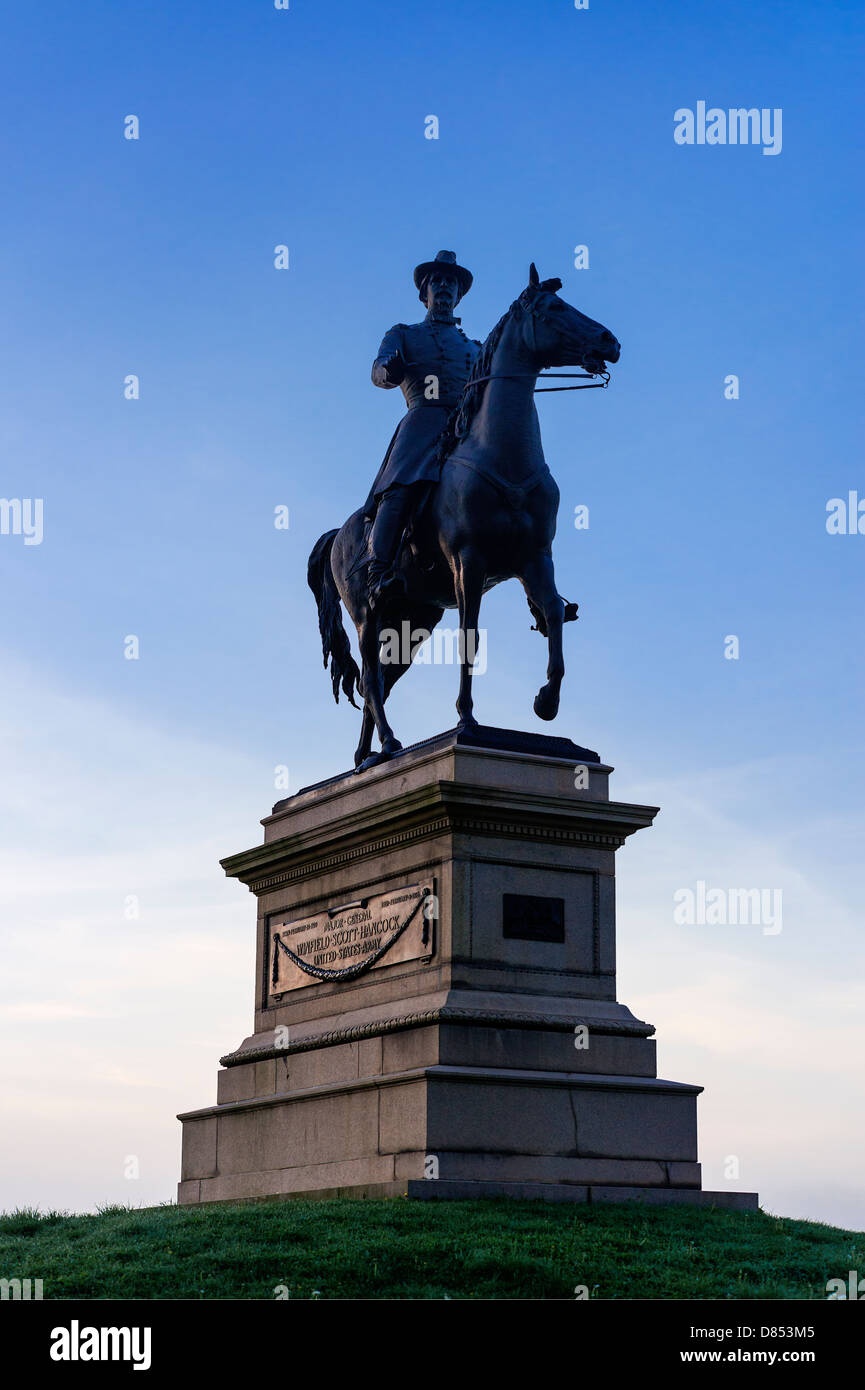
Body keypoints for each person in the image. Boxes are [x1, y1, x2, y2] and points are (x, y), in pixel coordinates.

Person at [362, 250, 480, 610]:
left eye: (451, 283)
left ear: (459, 295)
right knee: (400, 489)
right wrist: (389, 370)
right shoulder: (402, 333)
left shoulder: (476, 348)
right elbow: (379, 370)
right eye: (437, 282)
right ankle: (377, 574)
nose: (444, 287)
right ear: (424, 294)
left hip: (467, 428)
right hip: (423, 422)